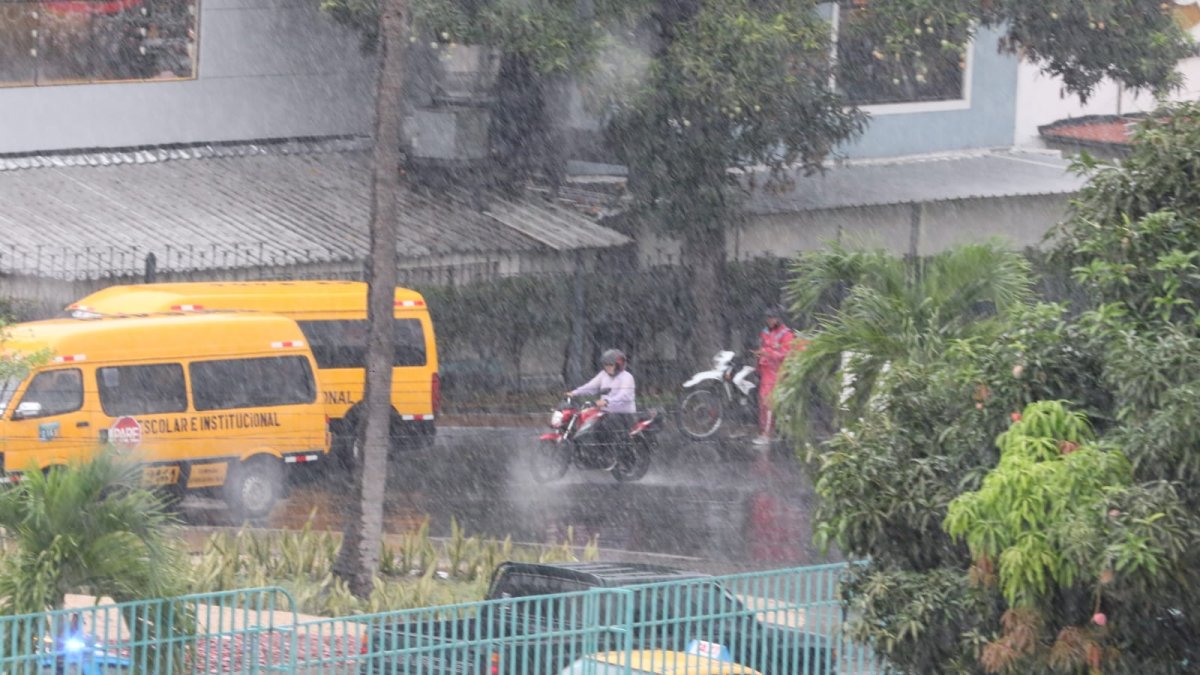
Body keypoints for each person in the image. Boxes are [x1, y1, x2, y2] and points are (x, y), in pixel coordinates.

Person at [567, 349, 637, 453]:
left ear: (619, 365)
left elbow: (624, 396)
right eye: (605, 365)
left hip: (623, 415)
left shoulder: (627, 377)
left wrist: (607, 401)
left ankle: (613, 453)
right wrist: (574, 393)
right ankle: (591, 451)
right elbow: (590, 387)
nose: (607, 368)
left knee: (604, 427)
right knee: (586, 421)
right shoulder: (603, 375)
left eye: (610, 365)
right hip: (606, 412)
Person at [752, 306, 793, 445]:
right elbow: (765, 347)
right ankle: (767, 431)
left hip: (777, 373)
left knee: (768, 404)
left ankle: (766, 434)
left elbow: (786, 354)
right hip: (765, 372)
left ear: (778, 318)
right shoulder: (765, 332)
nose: (769, 321)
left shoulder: (786, 334)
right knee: (763, 404)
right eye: (768, 318)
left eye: (772, 318)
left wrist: (767, 353)